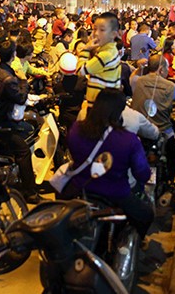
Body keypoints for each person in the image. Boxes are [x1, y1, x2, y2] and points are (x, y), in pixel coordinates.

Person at [63, 88, 154, 238]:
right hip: (116, 194)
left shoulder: (76, 129)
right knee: (146, 215)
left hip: (80, 188)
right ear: (119, 111)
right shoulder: (129, 140)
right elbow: (142, 174)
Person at [131, 54, 175, 196]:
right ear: (161, 69)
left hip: (140, 130)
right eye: (167, 68)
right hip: (163, 130)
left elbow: (132, 76)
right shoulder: (171, 87)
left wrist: (139, 67)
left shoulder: (137, 81)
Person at [0, 39, 39, 203]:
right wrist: (23, 80)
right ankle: (30, 193)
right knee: (23, 151)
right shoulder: (9, 79)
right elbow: (21, 98)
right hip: (2, 122)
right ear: (14, 55)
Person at [77, 12, 122, 115]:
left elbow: (80, 70)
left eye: (102, 30)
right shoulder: (110, 50)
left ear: (113, 34)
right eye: (95, 29)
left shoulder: (105, 55)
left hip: (99, 109)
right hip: (105, 106)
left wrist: (86, 49)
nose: (96, 33)